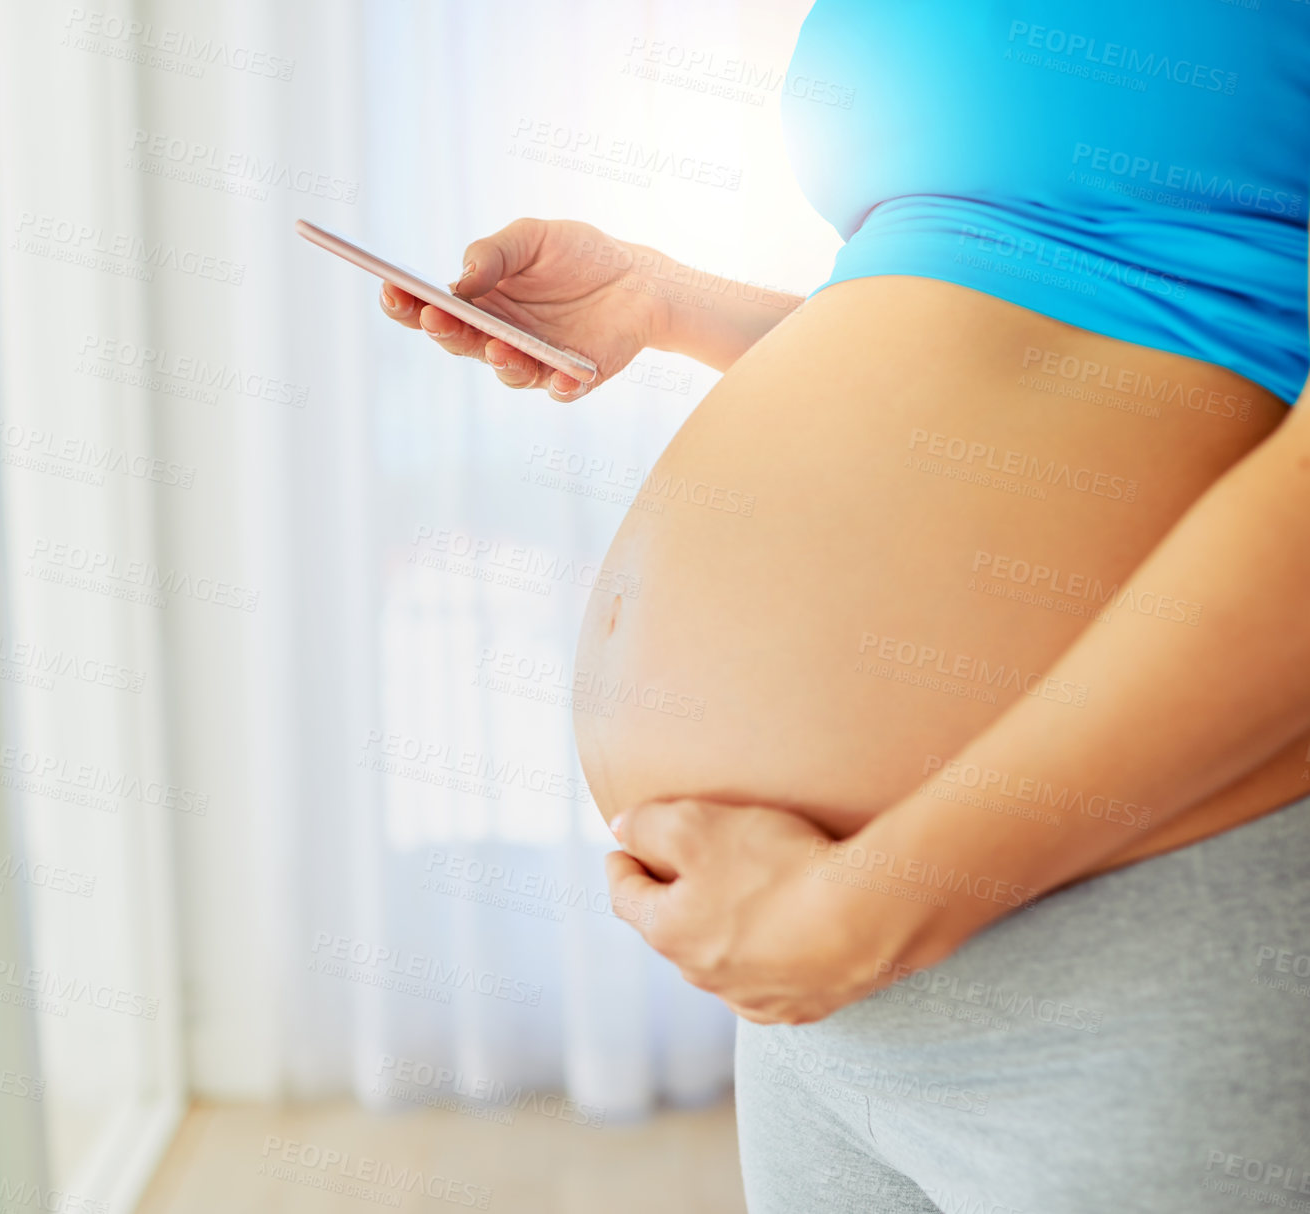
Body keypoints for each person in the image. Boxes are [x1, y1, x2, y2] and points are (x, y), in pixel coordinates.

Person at [379, 3, 1310, 1210]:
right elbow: (1007, 322)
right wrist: (667, 301)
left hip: (1129, 935)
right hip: (820, 1000)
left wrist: (873, 905)